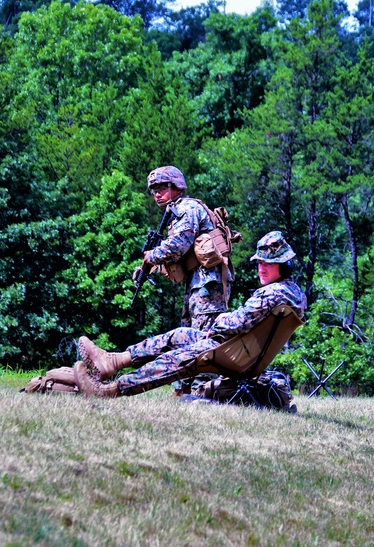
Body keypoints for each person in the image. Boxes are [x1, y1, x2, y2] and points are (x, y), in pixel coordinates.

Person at [74, 232, 305, 398]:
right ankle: (113, 361)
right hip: (241, 351)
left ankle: (110, 390)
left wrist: (220, 323)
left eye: (268, 263)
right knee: (179, 335)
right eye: (260, 263)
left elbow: (239, 322)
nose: (261, 268)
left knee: (175, 359)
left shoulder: (272, 294)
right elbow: (247, 321)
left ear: (284, 265)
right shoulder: (294, 293)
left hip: (232, 353)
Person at [139, 166, 229, 331]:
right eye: (154, 191)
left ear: (175, 186)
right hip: (198, 282)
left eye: (161, 189)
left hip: (208, 283)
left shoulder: (187, 208)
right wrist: (147, 268)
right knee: (189, 338)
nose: (157, 195)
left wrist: (151, 256)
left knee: (204, 340)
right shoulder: (176, 211)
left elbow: (178, 245)